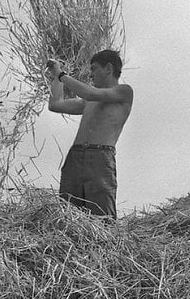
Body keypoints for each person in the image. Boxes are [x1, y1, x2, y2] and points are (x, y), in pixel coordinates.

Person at [45, 50, 134, 218]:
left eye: (94, 69)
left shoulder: (124, 92)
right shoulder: (89, 102)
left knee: (101, 216)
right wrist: (55, 77)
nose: (90, 75)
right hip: (75, 157)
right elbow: (56, 105)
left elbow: (89, 92)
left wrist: (62, 74)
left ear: (108, 68)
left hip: (99, 157)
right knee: (69, 216)